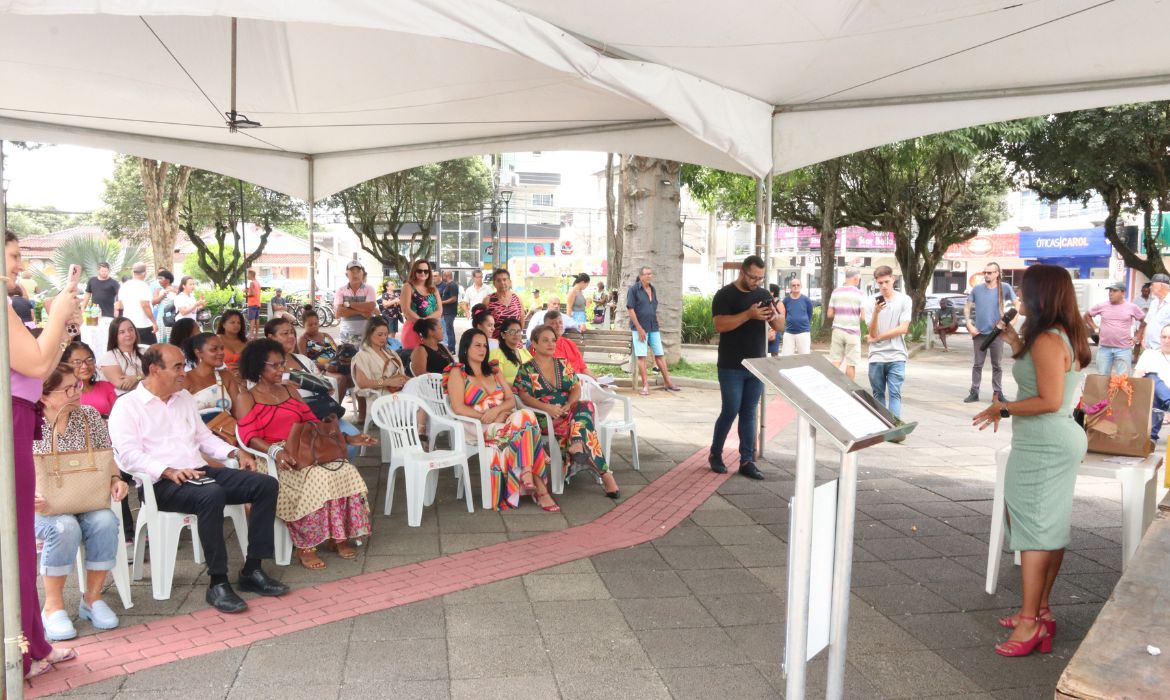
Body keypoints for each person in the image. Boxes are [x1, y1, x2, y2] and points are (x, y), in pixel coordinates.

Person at [109, 344, 288, 613]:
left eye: (184, 365)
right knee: (211, 494)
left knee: (264, 485)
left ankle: (252, 569)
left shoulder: (183, 398)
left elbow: (203, 438)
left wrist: (234, 451)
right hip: (161, 484)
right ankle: (218, 582)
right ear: (154, 370)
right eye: (178, 366)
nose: (184, 372)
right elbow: (128, 455)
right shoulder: (127, 406)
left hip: (199, 473)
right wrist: (167, 470)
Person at [971, 264, 1091, 658]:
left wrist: (1002, 408)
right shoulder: (1059, 334)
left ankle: (1029, 622)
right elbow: (1047, 379)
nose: (1018, 298)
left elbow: (1049, 400)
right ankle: (1041, 610)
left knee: (1033, 526)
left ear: (1042, 296)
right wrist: (1017, 342)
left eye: (1025, 292)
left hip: (1044, 443)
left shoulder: (1048, 340)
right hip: (1053, 441)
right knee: (1045, 524)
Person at [6, 230, 82, 679]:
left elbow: (40, 363)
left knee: (17, 539)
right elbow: (35, 366)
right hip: (9, 421)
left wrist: (61, 319)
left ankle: (32, 641)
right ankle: (24, 648)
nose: (18, 265)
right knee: (13, 540)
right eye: (13, 255)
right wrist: (56, 313)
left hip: (17, 416)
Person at [235, 339, 376, 570]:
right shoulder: (246, 397)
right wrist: (275, 451)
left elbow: (312, 423)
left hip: (302, 450)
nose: (282, 370)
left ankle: (338, 536)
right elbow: (249, 436)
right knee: (317, 477)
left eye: (283, 364)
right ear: (258, 367)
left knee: (344, 469)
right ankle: (306, 546)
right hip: (272, 458)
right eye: (276, 366)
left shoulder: (290, 389)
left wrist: (348, 438)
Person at [32, 364, 127, 641]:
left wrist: (115, 479)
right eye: (69, 388)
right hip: (40, 506)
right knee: (64, 527)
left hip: (85, 498)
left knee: (105, 520)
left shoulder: (89, 416)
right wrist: (24, 495)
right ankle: (53, 606)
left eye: (78, 385)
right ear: (44, 395)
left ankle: (92, 598)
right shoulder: (27, 421)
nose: (78, 391)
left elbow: (106, 458)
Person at [446, 330, 555, 511]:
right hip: (477, 426)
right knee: (526, 424)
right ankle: (540, 485)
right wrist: (487, 417)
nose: (482, 350)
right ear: (465, 348)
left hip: (504, 423)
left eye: (485, 346)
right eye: (477, 345)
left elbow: (510, 400)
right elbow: (458, 408)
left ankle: (527, 471)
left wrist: (498, 411)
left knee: (526, 415)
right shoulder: (458, 373)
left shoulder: (494, 370)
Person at [515, 325, 620, 499]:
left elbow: (576, 388)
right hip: (544, 417)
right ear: (534, 343)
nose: (551, 344)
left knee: (585, 405)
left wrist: (569, 404)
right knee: (588, 431)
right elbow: (524, 397)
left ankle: (577, 443)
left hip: (568, 411)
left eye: (553, 340)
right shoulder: (526, 369)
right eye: (545, 340)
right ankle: (606, 476)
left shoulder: (562, 364)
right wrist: (548, 408)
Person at [708, 255, 783, 480]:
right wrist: (748, 314)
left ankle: (746, 460)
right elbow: (720, 325)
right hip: (731, 365)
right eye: (753, 277)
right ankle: (715, 454)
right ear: (742, 272)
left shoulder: (762, 294)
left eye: (760, 278)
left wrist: (774, 315)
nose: (756, 282)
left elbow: (779, 325)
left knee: (749, 413)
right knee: (730, 410)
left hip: (757, 364)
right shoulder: (725, 295)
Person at [963, 262, 1018, 403]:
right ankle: (974, 391)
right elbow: (967, 307)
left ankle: (998, 392)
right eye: (985, 272)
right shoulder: (977, 289)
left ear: (997, 274)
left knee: (997, 365)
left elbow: (1017, 303)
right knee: (977, 364)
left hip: (997, 333)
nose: (986, 275)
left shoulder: (1004, 288)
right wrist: (969, 323)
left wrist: (1011, 323)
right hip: (979, 333)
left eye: (989, 272)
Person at [867, 265, 913, 426]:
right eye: (880, 283)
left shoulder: (904, 300)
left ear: (893, 279)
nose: (884, 286)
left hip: (897, 354)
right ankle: (880, 425)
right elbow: (871, 333)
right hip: (877, 356)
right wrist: (876, 312)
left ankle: (894, 426)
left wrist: (878, 337)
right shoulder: (871, 301)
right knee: (878, 393)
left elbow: (903, 328)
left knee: (895, 393)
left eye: (886, 281)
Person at [626, 266, 680, 395]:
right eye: (646, 274)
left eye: (651, 274)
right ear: (640, 276)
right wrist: (639, 328)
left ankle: (668, 382)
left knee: (659, 354)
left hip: (653, 327)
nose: (649, 276)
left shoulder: (653, 289)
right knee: (642, 356)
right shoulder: (633, 290)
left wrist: (656, 321)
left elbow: (653, 308)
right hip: (639, 328)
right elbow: (630, 309)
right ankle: (645, 386)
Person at [1084, 282, 1144, 376]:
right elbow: (1087, 315)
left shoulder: (1132, 307)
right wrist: (1095, 328)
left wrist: (1137, 337)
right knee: (1102, 377)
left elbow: (1144, 321)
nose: (1110, 293)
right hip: (1104, 348)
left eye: (1114, 291)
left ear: (1123, 293)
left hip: (1123, 349)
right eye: (1110, 291)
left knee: (1123, 379)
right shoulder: (1102, 305)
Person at [183, 332, 243, 418]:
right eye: (214, 349)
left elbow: (238, 412)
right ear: (198, 353)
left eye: (222, 348)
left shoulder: (226, 376)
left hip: (227, 429)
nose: (221, 352)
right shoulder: (186, 379)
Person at [296, 308, 351, 400]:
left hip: (337, 366)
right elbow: (305, 363)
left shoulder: (326, 335)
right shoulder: (303, 339)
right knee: (341, 379)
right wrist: (324, 366)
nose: (314, 326)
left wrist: (344, 359)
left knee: (356, 375)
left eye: (316, 323)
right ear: (303, 325)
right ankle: (335, 409)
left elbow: (337, 352)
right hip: (319, 371)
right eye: (310, 325)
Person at [351, 317, 407, 403]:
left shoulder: (390, 352)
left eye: (386, 334)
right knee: (418, 407)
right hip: (379, 399)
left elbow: (401, 375)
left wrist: (414, 380)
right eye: (380, 334)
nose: (384, 338)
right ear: (369, 334)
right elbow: (362, 383)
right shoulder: (362, 356)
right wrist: (387, 382)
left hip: (399, 392)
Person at [826, 268, 863, 379]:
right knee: (851, 363)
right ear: (856, 279)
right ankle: (848, 389)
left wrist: (840, 312)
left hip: (837, 330)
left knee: (836, 361)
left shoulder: (836, 292)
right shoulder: (859, 293)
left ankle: (833, 387)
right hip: (853, 332)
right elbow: (864, 317)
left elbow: (829, 314)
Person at [64, 341, 117, 417]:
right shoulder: (62, 394)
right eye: (77, 362)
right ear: (66, 365)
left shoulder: (106, 387)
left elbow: (118, 418)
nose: (85, 366)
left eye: (89, 360)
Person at [399, 259, 440, 350]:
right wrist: (421, 323)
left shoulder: (433, 288)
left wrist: (425, 322)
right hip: (413, 329)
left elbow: (439, 311)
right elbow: (406, 310)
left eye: (426, 271)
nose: (423, 273)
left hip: (430, 329)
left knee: (431, 360)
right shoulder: (408, 286)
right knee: (414, 359)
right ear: (414, 271)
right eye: (419, 270)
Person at [334, 260, 377, 345]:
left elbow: (370, 307)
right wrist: (361, 312)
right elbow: (339, 313)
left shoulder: (369, 289)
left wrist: (348, 304)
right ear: (347, 274)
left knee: (365, 358)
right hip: (346, 336)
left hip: (366, 335)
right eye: (352, 272)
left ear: (362, 274)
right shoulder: (341, 290)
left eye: (358, 271)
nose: (355, 274)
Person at [100, 317, 145, 396]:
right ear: (114, 336)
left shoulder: (144, 351)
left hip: (145, 396)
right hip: (121, 400)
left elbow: (159, 372)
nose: (128, 334)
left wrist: (136, 378)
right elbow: (123, 384)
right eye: (122, 332)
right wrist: (146, 375)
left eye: (131, 329)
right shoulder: (109, 357)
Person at [117, 262, 157, 344]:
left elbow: (120, 305)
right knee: (150, 352)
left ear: (133, 272)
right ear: (145, 273)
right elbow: (145, 305)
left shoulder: (124, 286)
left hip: (128, 324)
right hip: (143, 325)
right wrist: (154, 322)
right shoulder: (143, 286)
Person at [82, 261, 119, 341]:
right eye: (102, 271)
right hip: (94, 313)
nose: (104, 273)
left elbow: (119, 296)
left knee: (107, 336)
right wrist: (83, 306)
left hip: (108, 313)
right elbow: (88, 294)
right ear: (98, 271)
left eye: (106, 271)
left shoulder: (114, 283)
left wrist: (116, 309)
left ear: (108, 271)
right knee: (93, 334)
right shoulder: (92, 281)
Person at [490, 317, 532, 385]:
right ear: (503, 335)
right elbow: (496, 381)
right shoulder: (495, 354)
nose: (516, 334)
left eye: (518, 331)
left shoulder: (525, 352)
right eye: (512, 331)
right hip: (509, 393)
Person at [486, 267, 524, 339]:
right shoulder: (488, 300)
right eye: (498, 280)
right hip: (496, 343)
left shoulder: (517, 298)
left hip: (515, 343)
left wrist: (516, 336)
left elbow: (522, 319)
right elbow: (484, 323)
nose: (502, 283)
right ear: (494, 283)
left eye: (505, 279)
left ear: (510, 282)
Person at [1138, 273, 1170, 353]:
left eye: (1152, 284)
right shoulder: (1153, 303)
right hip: (1149, 349)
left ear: (1161, 285)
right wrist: (1144, 339)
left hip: (1165, 351)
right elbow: (1148, 322)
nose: (1150, 287)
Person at [780, 278, 814, 356]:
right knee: (786, 357)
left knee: (805, 357)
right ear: (790, 287)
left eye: (798, 285)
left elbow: (810, 314)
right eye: (793, 285)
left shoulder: (806, 300)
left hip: (803, 332)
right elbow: (783, 314)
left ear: (801, 286)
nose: (796, 287)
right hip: (789, 333)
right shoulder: (786, 300)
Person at [437, 270, 460, 351]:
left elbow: (454, 299)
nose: (442, 277)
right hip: (446, 311)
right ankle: (451, 346)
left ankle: (451, 348)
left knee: (449, 329)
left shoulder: (453, 285)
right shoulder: (448, 285)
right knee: (448, 329)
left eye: (443, 275)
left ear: (446, 276)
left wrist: (442, 302)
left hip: (450, 311)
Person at [152, 269, 176, 343]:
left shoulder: (174, 290)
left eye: (161, 278)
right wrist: (162, 295)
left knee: (171, 336)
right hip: (161, 317)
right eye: (158, 278)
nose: (159, 280)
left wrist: (173, 291)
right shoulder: (159, 290)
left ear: (167, 280)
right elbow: (153, 302)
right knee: (162, 336)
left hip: (170, 317)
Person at [245, 269, 262, 338]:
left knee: (252, 319)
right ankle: (256, 334)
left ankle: (251, 334)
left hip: (252, 303)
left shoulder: (252, 283)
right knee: (257, 319)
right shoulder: (257, 283)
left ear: (251, 275)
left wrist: (246, 295)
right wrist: (248, 290)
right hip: (257, 303)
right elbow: (256, 292)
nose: (247, 276)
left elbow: (252, 294)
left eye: (248, 274)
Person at [766, 284, 782, 357]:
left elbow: (780, 318)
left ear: (773, 292)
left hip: (774, 330)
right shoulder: (767, 301)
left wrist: (773, 330)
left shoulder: (779, 303)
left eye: (769, 291)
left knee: (774, 353)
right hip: (767, 330)